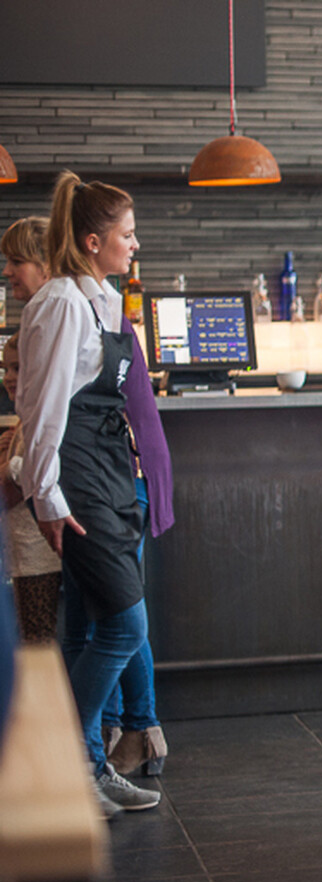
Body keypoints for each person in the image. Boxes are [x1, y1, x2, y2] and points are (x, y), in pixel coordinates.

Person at [16, 172, 160, 812]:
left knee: (98, 622)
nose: (136, 245)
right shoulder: (61, 304)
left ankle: (87, 769)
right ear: (94, 239)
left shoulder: (100, 298)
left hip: (106, 466)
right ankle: (62, 762)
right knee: (127, 623)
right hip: (76, 474)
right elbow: (42, 409)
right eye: (127, 235)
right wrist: (45, 497)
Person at [2, 219, 62, 642]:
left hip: (43, 541)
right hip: (33, 541)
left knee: (40, 641)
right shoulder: (40, 318)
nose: (7, 271)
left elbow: (52, 437)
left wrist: (8, 468)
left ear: (45, 265)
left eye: (16, 261)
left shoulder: (54, 321)